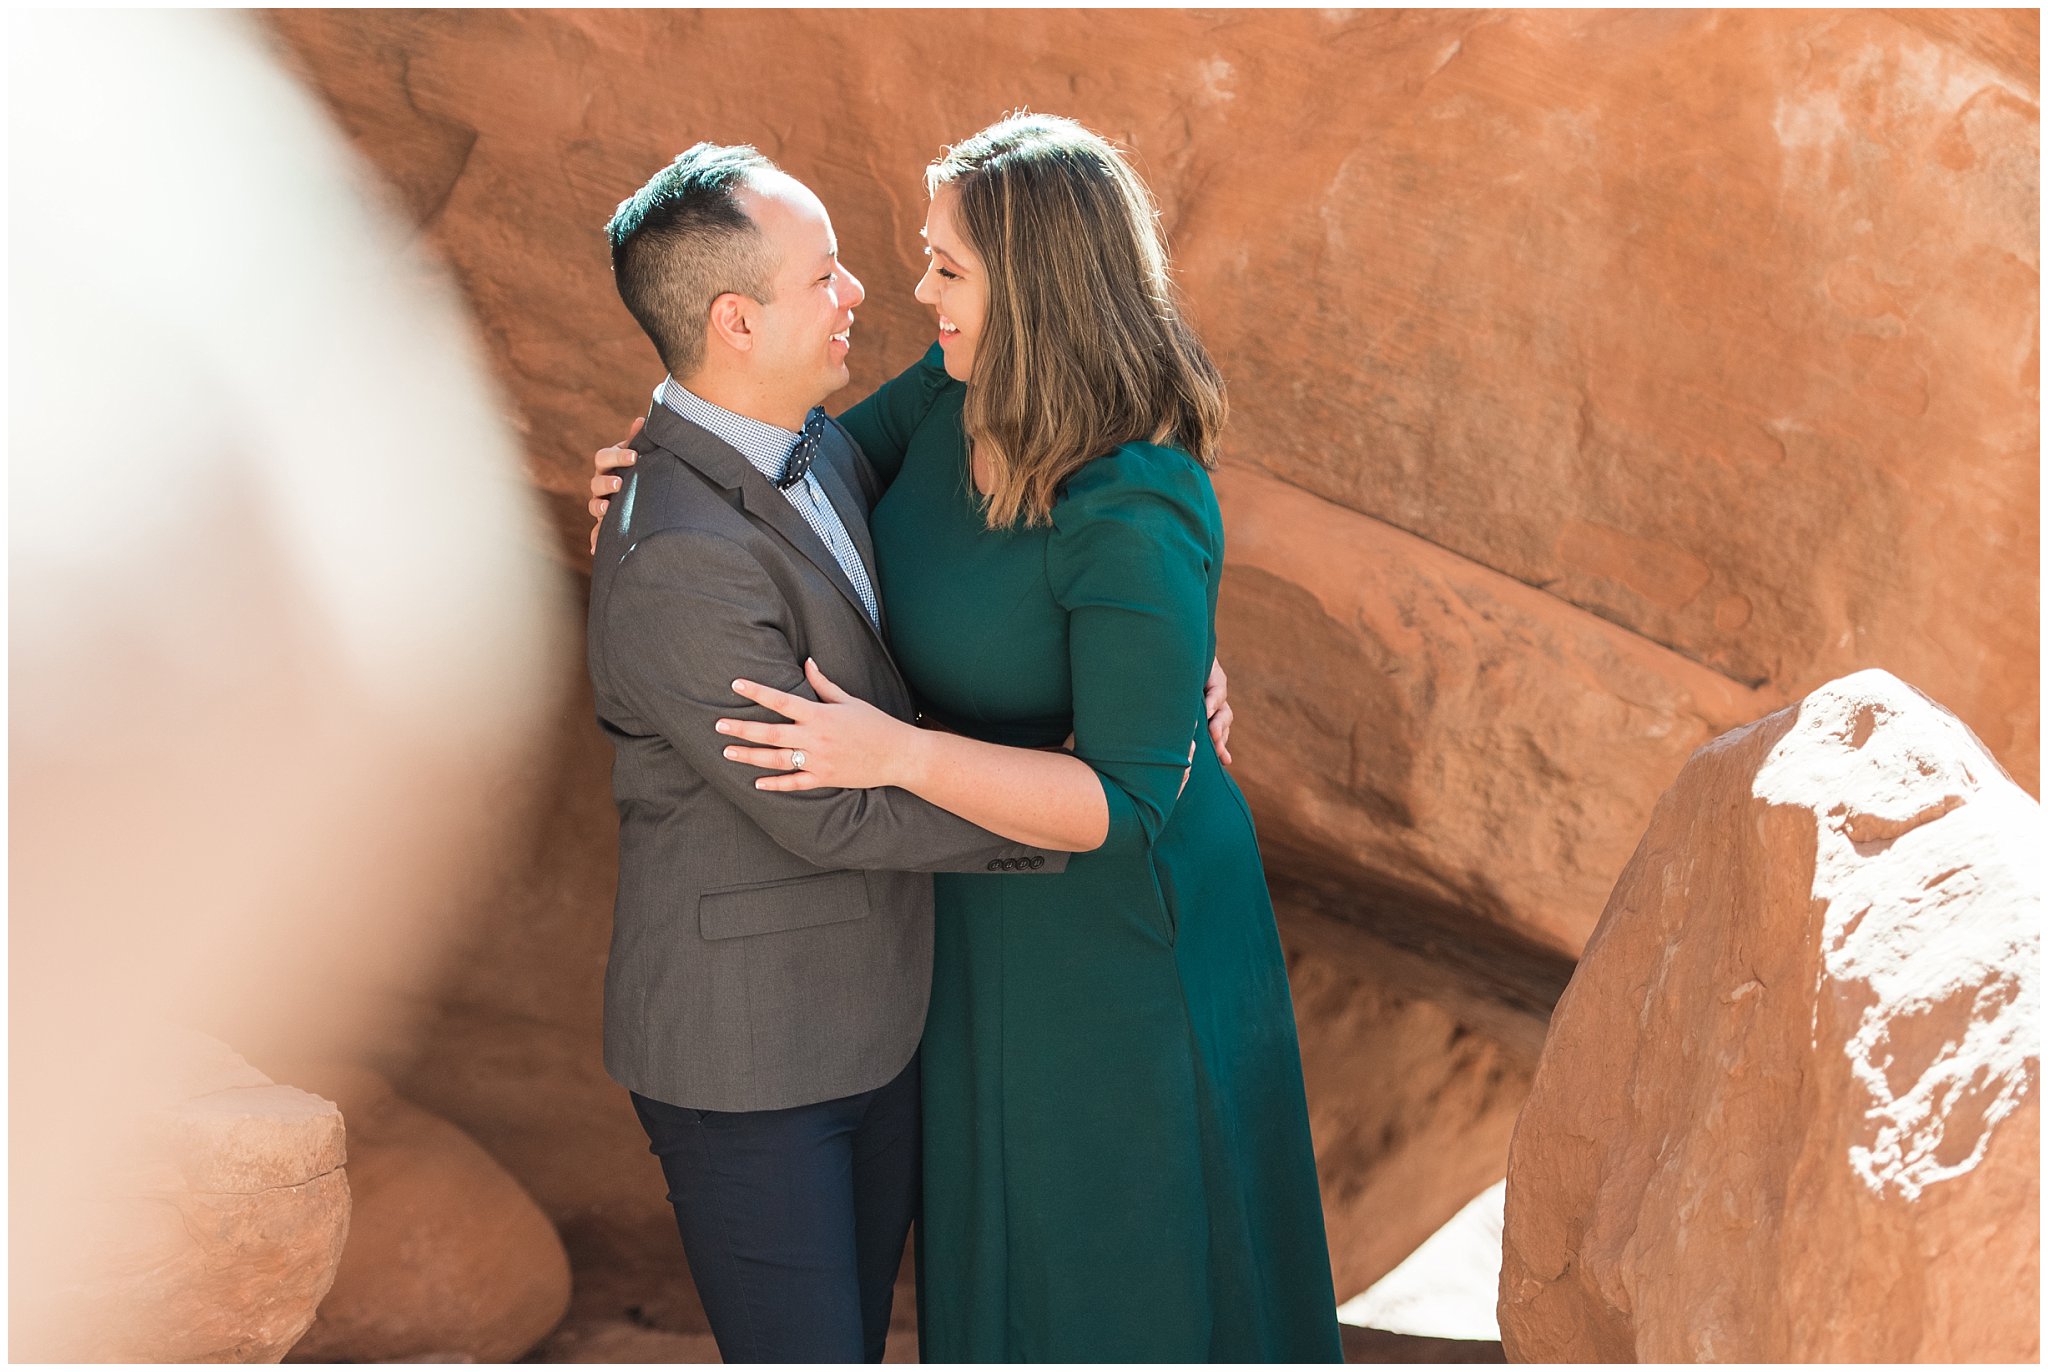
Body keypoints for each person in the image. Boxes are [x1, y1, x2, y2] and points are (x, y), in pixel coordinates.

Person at [591, 115, 1339, 1362]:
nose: (907, 288)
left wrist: (910, 748)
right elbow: (771, 464)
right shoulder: (942, 395)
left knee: (1126, 1260)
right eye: (916, 259)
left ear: (1032, 291)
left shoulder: (1132, 495)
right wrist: (648, 467)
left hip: (1116, 924)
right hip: (967, 913)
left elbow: (1122, 803)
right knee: (1004, 1259)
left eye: (945, 264)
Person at [590, 144, 1088, 1365]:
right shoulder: (683, 555)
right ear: (736, 320)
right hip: (746, 1057)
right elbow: (825, 811)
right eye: (826, 275)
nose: (859, 290)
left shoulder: (814, 443)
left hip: (872, 1022)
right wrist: (1074, 804)